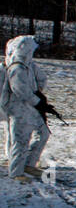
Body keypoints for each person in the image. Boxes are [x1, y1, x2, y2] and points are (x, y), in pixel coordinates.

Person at [2, 34, 50, 182]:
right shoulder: (16, 67)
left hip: (31, 109)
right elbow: (20, 90)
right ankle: (16, 172)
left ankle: (29, 163)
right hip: (18, 110)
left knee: (43, 133)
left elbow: (42, 78)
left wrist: (38, 94)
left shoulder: (29, 65)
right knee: (20, 140)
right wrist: (37, 101)